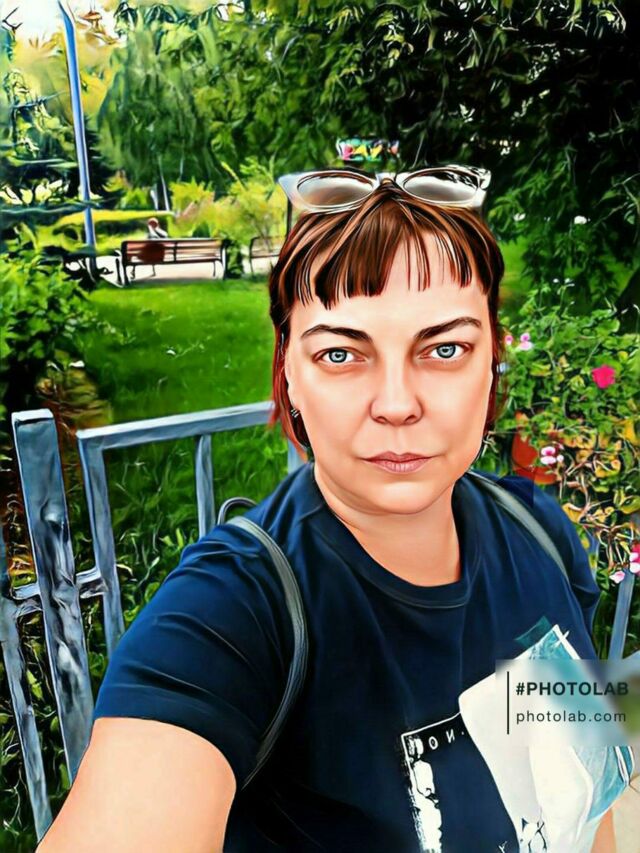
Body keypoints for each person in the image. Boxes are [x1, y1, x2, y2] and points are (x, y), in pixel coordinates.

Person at [36, 168, 631, 852]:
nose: (398, 404)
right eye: (342, 353)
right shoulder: (233, 612)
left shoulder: (541, 533)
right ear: (289, 371)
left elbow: (590, 796)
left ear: (492, 357)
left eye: (444, 349)